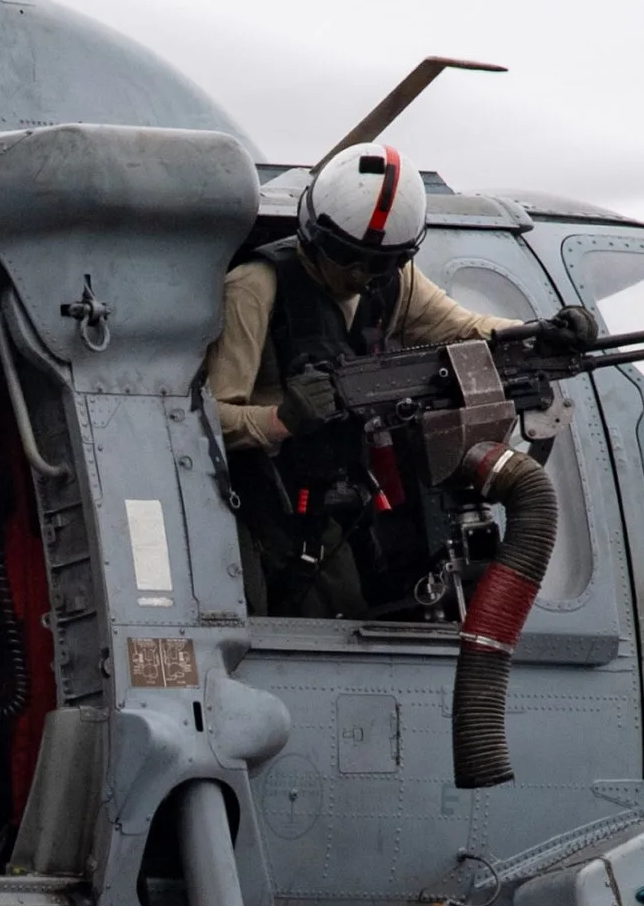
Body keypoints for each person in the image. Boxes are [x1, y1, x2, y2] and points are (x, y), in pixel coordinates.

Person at [207, 141, 506, 615]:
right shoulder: (256, 287)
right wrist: (281, 420)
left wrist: (543, 333)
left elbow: (468, 329)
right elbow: (205, 418)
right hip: (257, 504)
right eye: (347, 257)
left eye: (380, 263)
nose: (362, 275)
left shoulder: (395, 283)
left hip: (335, 502)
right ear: (313, 233)